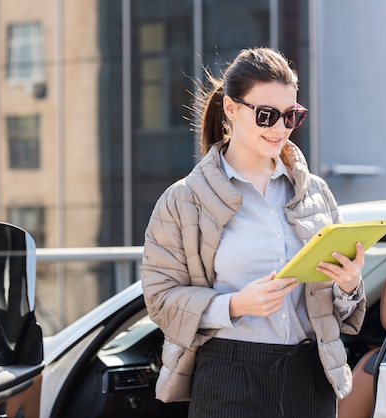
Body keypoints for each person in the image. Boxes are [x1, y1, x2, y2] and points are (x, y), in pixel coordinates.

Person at [141, 47, 366, 418]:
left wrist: (348, 286)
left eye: (291, 116)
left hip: (309, 375)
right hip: (229, 374)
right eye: (266, 115)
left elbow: (342, 312)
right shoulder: (184, 200)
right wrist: (234, 305)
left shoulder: (316, 194)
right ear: (231, 109)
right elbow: (161, 299)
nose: (280, 128)